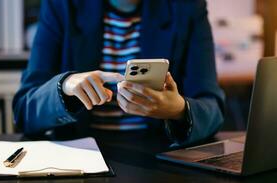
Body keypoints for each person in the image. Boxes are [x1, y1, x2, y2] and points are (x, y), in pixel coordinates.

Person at [13, 0, 225, 147]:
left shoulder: (187, 7)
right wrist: (65, 86)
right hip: (80, 154)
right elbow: (24, 112)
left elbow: (213, 110)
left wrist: (178, 110)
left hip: (159, 157)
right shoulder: (62, 5)